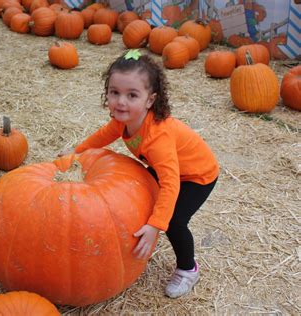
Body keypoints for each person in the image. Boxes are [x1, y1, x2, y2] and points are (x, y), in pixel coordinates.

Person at [59, 49, 219, 298]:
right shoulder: (124, 119)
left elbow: (170, 184)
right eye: (115, 93)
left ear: (150, 100)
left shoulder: (158, 138)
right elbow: (104, 135)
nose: (121, 101)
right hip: (169, 170)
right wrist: (77, 152)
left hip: (197, 177)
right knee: (140, 191)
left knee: (174, 222)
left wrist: (157, 225)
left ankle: (188, 269)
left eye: (132, 95)